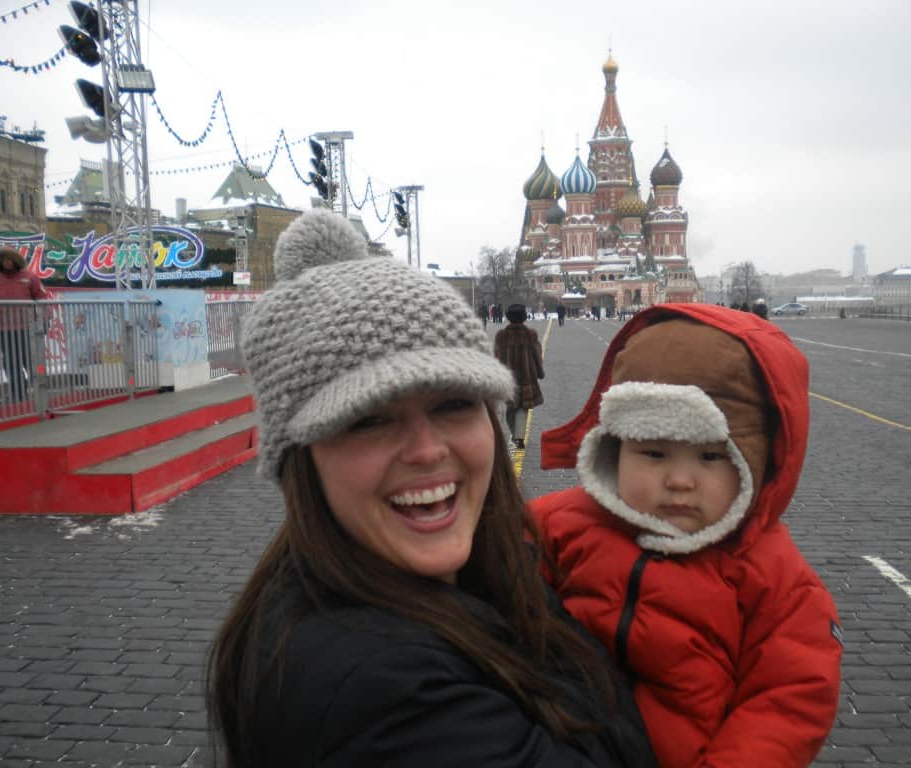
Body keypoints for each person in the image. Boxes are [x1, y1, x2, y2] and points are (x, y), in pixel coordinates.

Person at [206, 207, 656, 768]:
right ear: (301, 456)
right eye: (368, 419)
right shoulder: (380, 694)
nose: (426, 450)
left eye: (453, 403)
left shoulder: (465, 578)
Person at [531, 304, 843, 767]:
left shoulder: (776, 576)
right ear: (614, 448)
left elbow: (787, 700)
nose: (680, 480)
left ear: (755, 462)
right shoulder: (555, 524)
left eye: (711, 458)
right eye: (653, 454)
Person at [0, 245, 49, 402]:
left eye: (10, 259)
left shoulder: (30, 277)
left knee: (32, 362)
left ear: (16, 260)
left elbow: (41, 298)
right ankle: (18, 394)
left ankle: (40, 392)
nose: (7, 262)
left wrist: (44, 321)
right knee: (11, 363)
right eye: (4, 259)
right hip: (6, 329)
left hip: (28, 328)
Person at [494, 303, 544, 450]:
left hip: (508, 378)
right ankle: (520, 437)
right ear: (524, 317)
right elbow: (537, 356)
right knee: (523, 407)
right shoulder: (531, 334)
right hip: (527, 377)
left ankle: (515, 435)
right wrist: (540, 372)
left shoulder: (501, 336)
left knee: (510, 408)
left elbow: (496, 357)